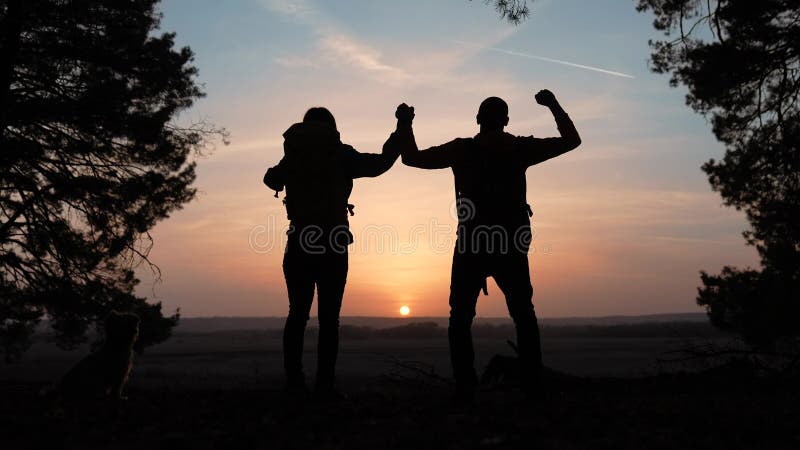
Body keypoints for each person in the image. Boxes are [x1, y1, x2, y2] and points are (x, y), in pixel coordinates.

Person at [397, 90, 581, 402]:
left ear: (478, 120)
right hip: (511, 244)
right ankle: (532, 384)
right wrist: (553, 105)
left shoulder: (462, 150)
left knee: (460, 317)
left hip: (471, 244)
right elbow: (571, 140)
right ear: (506, 121)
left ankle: (465, 387)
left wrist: (405, 124)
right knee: (524, 314)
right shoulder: (520, 148)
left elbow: (412, 158)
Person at [263, 106, 411, 400]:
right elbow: (380, 163)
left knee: (297, 315)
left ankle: (294, 383)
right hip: (333, 241)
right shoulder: (342, 154)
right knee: (329, 319)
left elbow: (271, 179)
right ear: (332, 128)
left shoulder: (293, 155)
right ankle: (325, 386)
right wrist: (401, 128)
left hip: (300, 239)